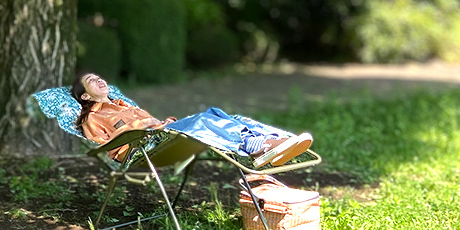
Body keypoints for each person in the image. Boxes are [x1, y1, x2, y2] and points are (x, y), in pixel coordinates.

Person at [71, 73, 313, 165]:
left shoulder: (125, 105)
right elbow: (106, 147)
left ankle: (273, 141)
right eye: (91, 81)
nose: (99, 80)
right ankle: (258, 146)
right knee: (202, 121)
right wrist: (141, 134)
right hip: (144, 148)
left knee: (217, 114)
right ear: (84, 95)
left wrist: (161, 123)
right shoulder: (92, 118)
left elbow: (152, 123)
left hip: (163, 134)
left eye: (99, 77)